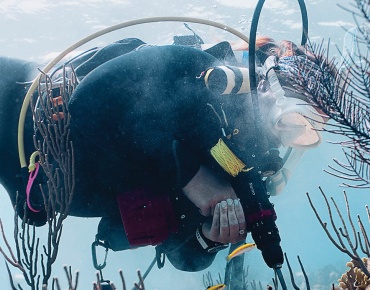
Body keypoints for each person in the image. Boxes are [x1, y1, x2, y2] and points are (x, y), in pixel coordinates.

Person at [0, 36, 330, 272]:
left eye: (306, 127)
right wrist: (193, 180)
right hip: (11, 102)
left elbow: (182, 258)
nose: (289, 129)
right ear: (268, 80)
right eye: (292, 108)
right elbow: (88, 103)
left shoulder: (241, 160)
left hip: (32, 182)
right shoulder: (195, 74)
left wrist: (209, 238)